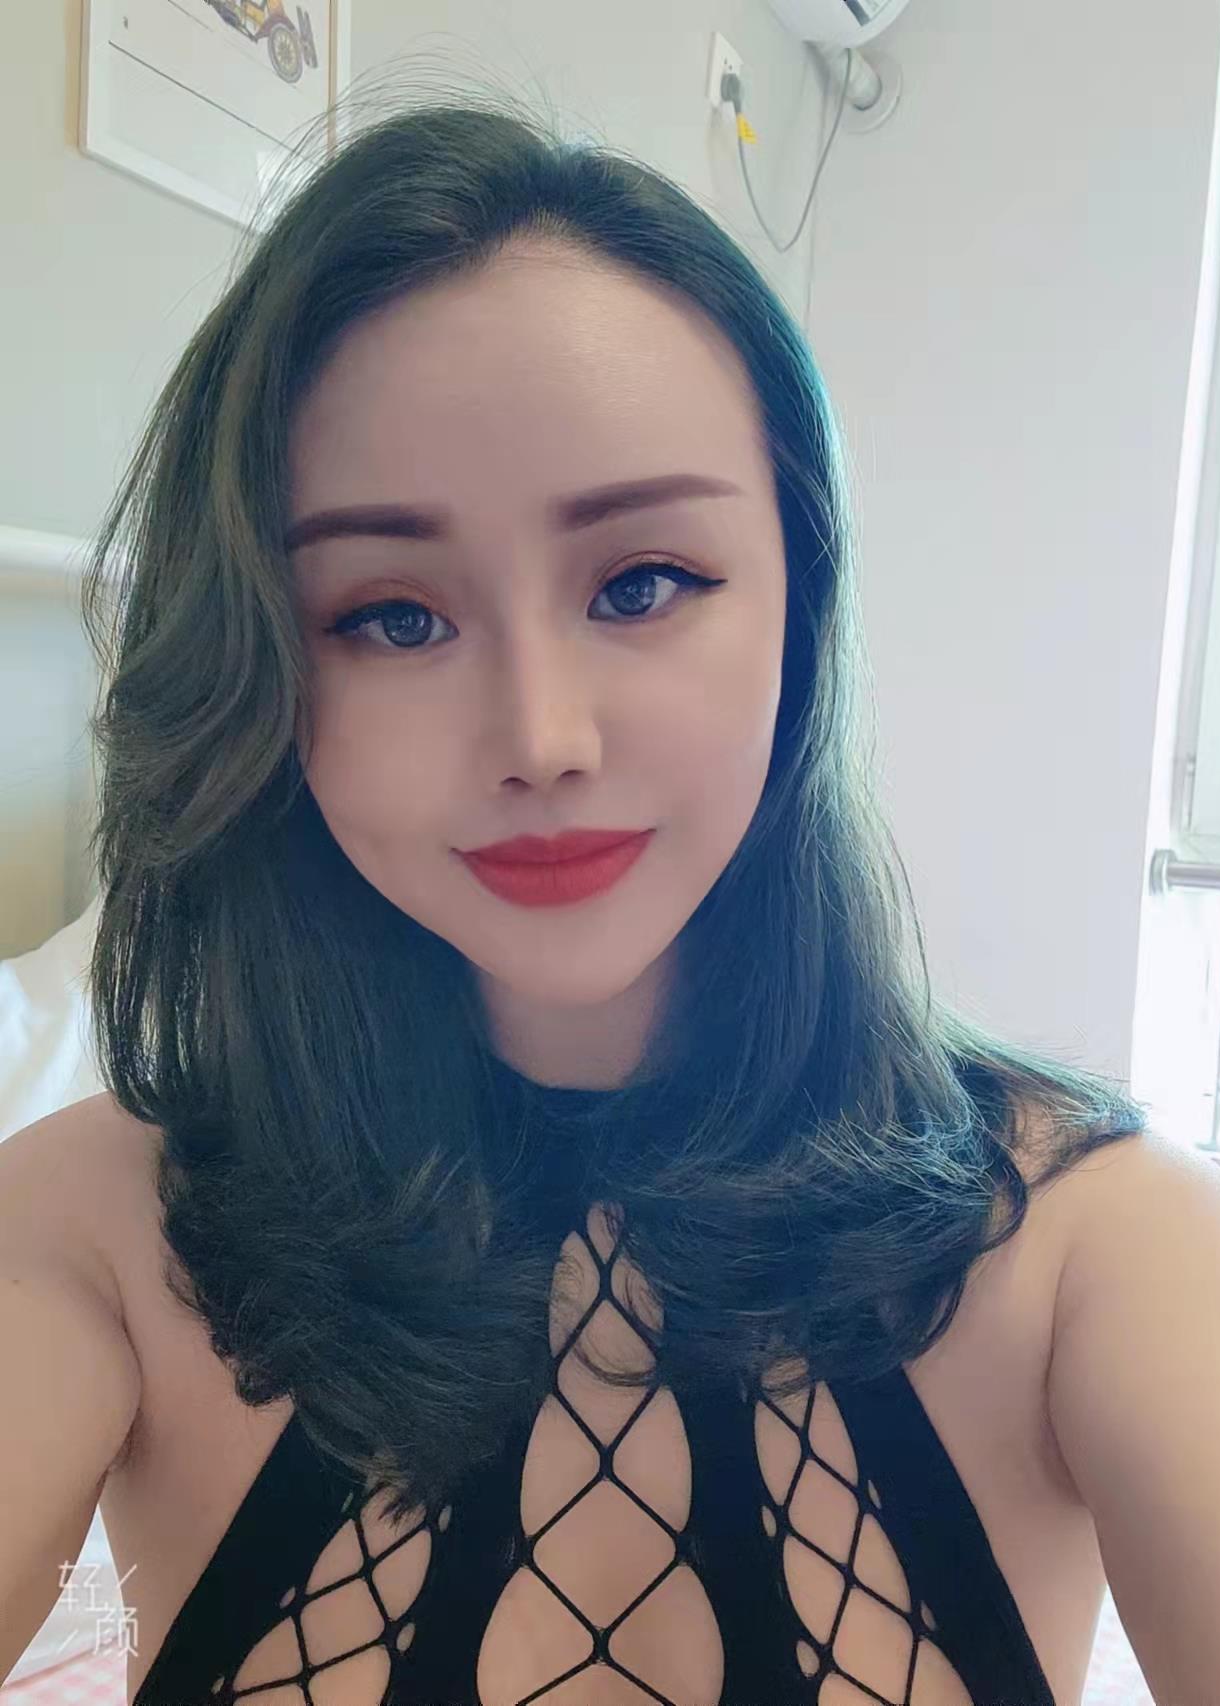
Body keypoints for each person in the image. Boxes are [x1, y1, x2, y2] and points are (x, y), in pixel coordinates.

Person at [1, 94, 1152, 1706]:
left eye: (641, 583)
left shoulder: (1094, 1250)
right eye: (393, 616)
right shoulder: (99, 1234)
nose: (540, 738)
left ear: (802, 604)